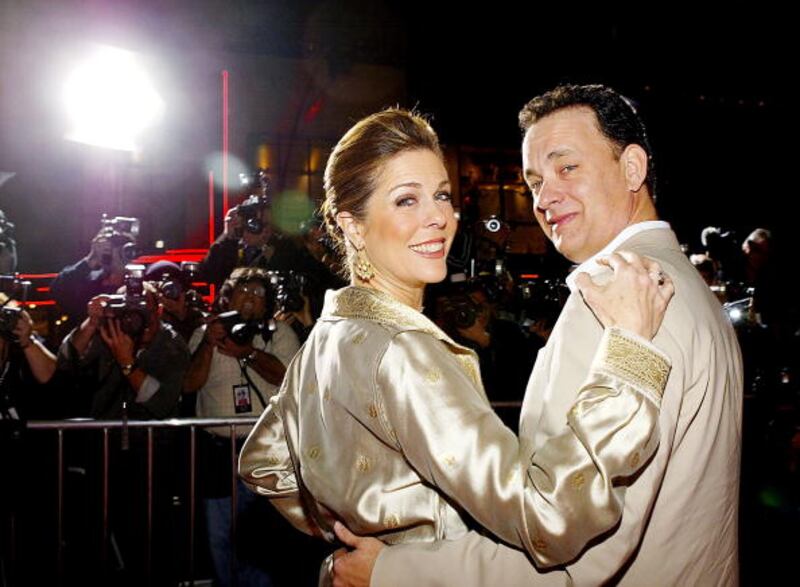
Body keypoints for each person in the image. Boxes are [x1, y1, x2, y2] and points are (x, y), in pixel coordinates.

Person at [238, 108, 676, 582]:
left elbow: (265, 462)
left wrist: (355, 523)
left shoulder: (328, 334)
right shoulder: (404, 352)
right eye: (407, 200)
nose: (439, 218)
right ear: (353, 226)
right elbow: (546, 514)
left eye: (442, 195)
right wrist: (630, 358)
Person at [332, 86, 744, 586]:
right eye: (534, 182)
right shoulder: (685, 285)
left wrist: (394, 571)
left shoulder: (615, 300)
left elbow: (575, 555)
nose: (545, 199)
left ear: (632, 168)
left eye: (567, 167)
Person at [183, 267, 301, 587]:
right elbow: (189, 384)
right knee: (220, 534)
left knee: (263, 536)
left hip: (266, 450)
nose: (250, 298)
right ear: (228, 296)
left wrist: (247, 353)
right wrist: (209, 343)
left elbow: (287, 377)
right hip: (218, 451)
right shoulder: (206, 331)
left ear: (268, 302)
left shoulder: (278, 333)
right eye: (243, 290)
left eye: (259, 293)